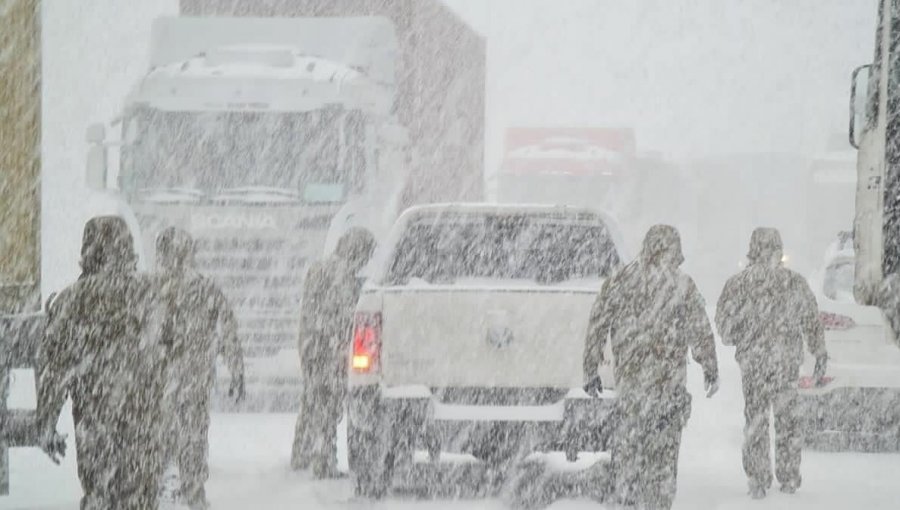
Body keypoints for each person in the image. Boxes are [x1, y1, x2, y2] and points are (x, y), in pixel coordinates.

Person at [583, 224, 719, 510]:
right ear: (673, 250)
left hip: (632, 387)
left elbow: (598, 323)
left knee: (630, 451)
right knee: (664, 457)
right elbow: (699, 329)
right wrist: (709, 366)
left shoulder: (620, 279)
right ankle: (658, 502)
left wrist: (591, 368)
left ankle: (628, 498)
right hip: (668, 388)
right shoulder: (682, 284)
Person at [37, 216, 169, 509]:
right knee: (140, 497)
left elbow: (55, 370)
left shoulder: (71, 300)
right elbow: (172, 354)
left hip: (95, 422)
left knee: (100, 494)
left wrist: (47, 423)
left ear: (87, 250)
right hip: (145, 422)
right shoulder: (150, 294)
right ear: (128, 248)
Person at [715, 227, 827, 499]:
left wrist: (743, 336)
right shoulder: (794, 283)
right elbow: (811, 320)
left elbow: (724, 326)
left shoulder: (738, 284)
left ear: (752, 251)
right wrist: (819, 352)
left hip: (753, 365)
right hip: (785, 362)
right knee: (787, 421)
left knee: (756, 420)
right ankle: (788, 477)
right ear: (779, 250)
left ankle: (758, 479)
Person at [154, 227, 245, 509]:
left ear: (161, 255)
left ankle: (167, 487)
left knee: (162, 434)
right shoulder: (206, 288)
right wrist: (237, 370)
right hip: (194, 377)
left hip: (160, 379)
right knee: (192, 434)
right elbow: (228, 331)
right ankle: (193, 491)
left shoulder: (150, 288)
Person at [291, 228, 376, 477]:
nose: (365, 262)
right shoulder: (342, 275)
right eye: (366, 255)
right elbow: (343, 315)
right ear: (356, 251)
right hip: (327, 348)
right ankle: (323, 462)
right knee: (327, 405)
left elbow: (312, 310)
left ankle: (301, 453)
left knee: (311, 400)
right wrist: (341, 344)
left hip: (310, 345)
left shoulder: (319, 268)